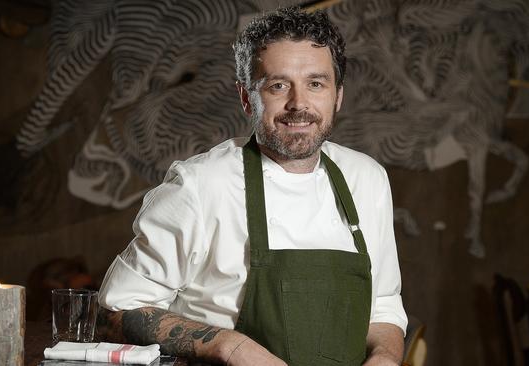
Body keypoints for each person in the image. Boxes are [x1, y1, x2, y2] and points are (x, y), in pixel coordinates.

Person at [96, 7, 408, 366]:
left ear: (337, 96)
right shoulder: (200, 185)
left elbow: (383, 304)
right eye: (278, 85)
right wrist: (228, 346)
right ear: (247, 97)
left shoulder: (366, 179)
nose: (299, 104)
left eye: (316, 84)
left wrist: (385, 355)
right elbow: (114, 313)